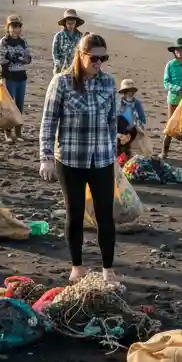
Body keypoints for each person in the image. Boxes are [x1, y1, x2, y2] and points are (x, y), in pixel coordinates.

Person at [39, 33, 120, 285]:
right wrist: (46, 157)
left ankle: (108, 269)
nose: (99, 63)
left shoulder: (108, 82)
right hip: (71, 160)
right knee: (74, 214)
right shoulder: (61, 83)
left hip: (102, 159)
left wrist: (115, 158)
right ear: (81, 55)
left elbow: (112, 122)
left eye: (103, 58)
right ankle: (77, 266)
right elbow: (49, 121)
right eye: (94, 58)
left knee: (105, 215)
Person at [0, 14, 32, 140]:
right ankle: (8, 133)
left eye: (17, 26)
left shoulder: (23, 42)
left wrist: (19, 59)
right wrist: (14, 59)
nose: (15, 29)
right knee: (8, 106)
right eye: (13, 26)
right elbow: (2, 60)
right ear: (8, 27)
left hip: (21, 77)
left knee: (19, 105)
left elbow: (28, 58)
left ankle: (18, 133)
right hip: (9, 77)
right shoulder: (4, 42)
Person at [52, 8, 85, 74]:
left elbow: (82, 52)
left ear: (76, 23)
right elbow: (54, 52)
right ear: (65, 23)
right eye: (68, 23)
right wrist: (58, 64)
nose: (70, 25)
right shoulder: (59, 36)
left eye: (72, 23)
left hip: (75, 67)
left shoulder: (80, 36)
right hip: (60, 68)